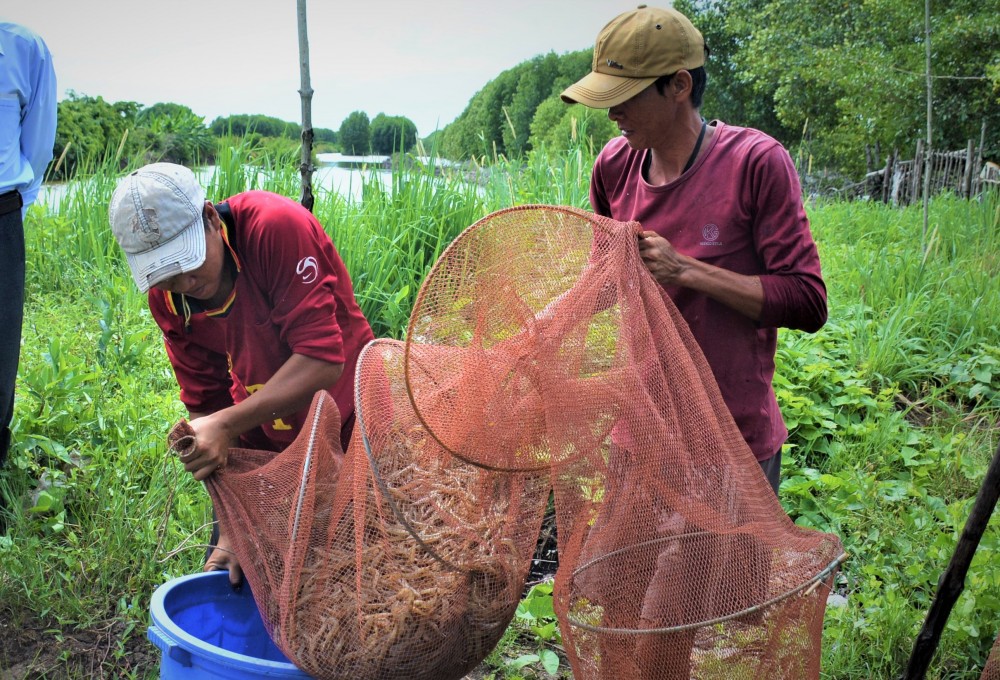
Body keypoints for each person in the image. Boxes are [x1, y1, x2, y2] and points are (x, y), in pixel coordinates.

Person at [562, 4, 827, 495]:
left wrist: (685, 269)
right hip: (640, 432)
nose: (611, 111)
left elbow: (807, 301)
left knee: (721, 574)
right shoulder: (614, 167)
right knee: (627, 573)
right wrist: (540, 332)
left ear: (679, 85)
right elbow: (603, 279)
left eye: (625, 95)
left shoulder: (755, 163)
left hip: (729, 440)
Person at [108, 163, 374, 585]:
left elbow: (323, 359)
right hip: (265, 442)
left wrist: (225, 425)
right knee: (243, 576)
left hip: (350, 423)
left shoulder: (274, 228)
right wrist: (233, 523)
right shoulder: (170, 299)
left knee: (357, 574)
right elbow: (206, 403)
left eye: (188, 260)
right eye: (164, 273)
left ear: (211, 219)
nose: (184, 280)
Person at [0, 22, 57, 471]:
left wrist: (11, 213)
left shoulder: (24, 49)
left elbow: (36, 147)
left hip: (0, 212)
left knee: (1, 349)